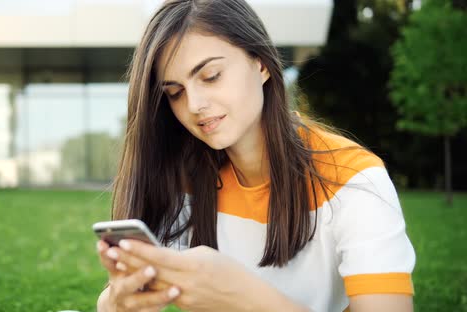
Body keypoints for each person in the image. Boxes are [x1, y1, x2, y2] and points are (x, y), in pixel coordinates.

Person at [95, 0, 416, 311]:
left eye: (211, 76)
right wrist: (116, 304)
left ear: (261, 63)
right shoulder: (182, 177)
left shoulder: (355, 181)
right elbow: (116, 299)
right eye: (175, 93)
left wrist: (244, 298)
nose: (194, 105)